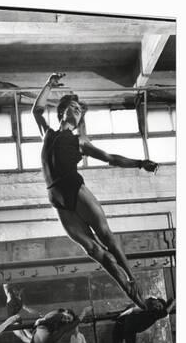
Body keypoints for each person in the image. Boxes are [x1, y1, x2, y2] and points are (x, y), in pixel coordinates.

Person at [32, 73, 159, 309]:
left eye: (80, 109)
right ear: (62, 112)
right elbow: (36, 111)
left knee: (105, 237)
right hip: (56, 197)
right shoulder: (47, 134)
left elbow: (111, 158)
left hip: (73, 186)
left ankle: (132, 276)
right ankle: (137, 299)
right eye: (73, 107)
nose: (77, 110)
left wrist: (140, 163)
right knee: (93, 250)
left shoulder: (80, 141)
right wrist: (49, 84)